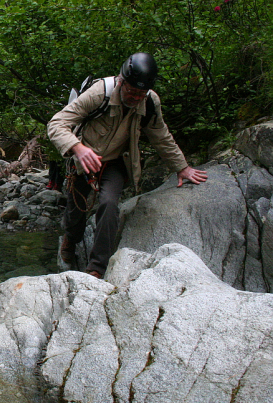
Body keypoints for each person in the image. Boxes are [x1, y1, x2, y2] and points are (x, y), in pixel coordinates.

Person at [47, 52, 207, 279]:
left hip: (115, 162)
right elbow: (56, 123)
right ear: (121, 81)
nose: (135, 97)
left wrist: (182, 167)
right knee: (75, 213)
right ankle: (70, 241)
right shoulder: (100, 93)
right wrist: (77, 148)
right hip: (83, 159)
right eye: (131, 91)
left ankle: (96, 269)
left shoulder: (150, 102)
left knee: (109, 205)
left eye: (140, 94)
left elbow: (161, 136)